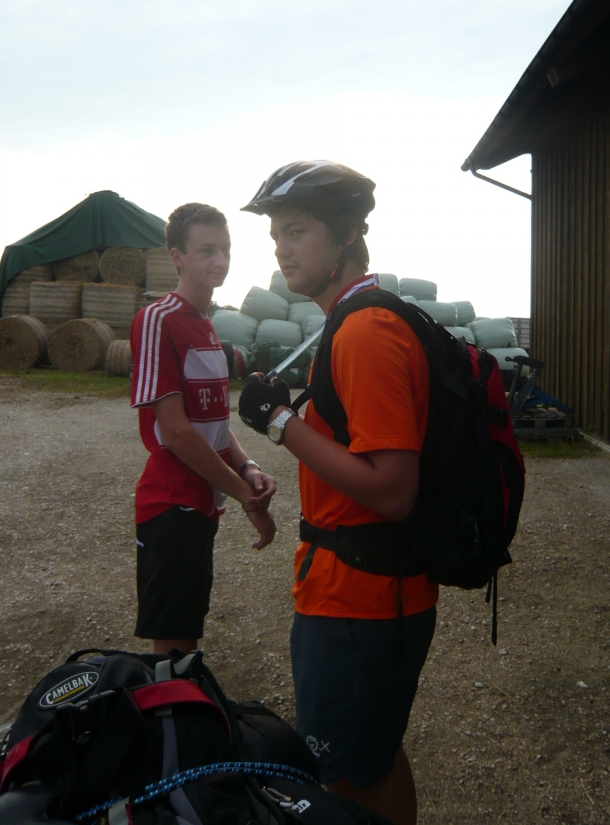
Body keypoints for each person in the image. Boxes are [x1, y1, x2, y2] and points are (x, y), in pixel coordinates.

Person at [237, 162, 437, 825]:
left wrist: (278, 422)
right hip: (372, 590)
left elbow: (393, 490)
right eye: (276, 236)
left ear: (348, 234)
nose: (281, 249)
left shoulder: (365, 331)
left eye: (297, 231)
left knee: (343, 783)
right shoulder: (353, 320)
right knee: (376, 758)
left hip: (358, 601)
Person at [131, 202, 277, 656]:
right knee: (174, 651)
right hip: (171, 504)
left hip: (201, 505)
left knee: (187, 635)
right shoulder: (158, 319)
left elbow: (213, 422)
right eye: (207, 250)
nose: (221, 260)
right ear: (176, 257)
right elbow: (176, 433)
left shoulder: (207, 326)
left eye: (226, 249)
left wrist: (249, 466)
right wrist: (246, 497)